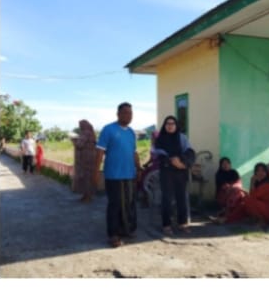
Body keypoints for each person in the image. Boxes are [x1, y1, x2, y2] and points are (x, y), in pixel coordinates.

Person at [96, 102, 142, 247]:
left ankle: (126, 230)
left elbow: (134, 152)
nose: (128, 115)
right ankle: (113, 235)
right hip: (113, 174)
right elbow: (100, 152)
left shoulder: (131, 132)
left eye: (130, 113)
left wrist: (139, 168)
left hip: (129, 174)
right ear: (118, 114)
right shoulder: (108, 129)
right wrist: (96, 172)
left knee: (129, 204)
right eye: (125, 113)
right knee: (115, 205)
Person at [150, 114, 195, 234]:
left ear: (176, 125)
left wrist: (182, 162)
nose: (170, 126)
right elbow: (156, 153)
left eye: (172, 123)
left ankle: (182, 223)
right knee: (167, 198)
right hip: (167, 172)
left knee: (182, 198)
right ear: (164, 126)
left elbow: (190, 152)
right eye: (167, 124)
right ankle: (166, 225)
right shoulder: (160, 139)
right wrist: (171, 161)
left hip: (181, 172)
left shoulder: (182, 138)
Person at [214, 162, 269, 226]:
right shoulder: (261, 182)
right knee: (243, 204)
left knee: (246, 200)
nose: (260, 173)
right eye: (258, 171)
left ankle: (261, 221)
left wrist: (252, 183)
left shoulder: (268, 184)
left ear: (267, 172)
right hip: (262, 208)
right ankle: (227, 218)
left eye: (263, 171)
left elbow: (252, 197)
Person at [73, 119, 98, 201]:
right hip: (92, 157)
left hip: (85, 158)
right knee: (89, 176)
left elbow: (80, 145)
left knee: (85, 177)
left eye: (81, 125)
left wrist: (74, 141)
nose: (80, 127)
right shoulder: (92, 133)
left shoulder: (85, 133)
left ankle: (87, 196)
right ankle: (87, 195)